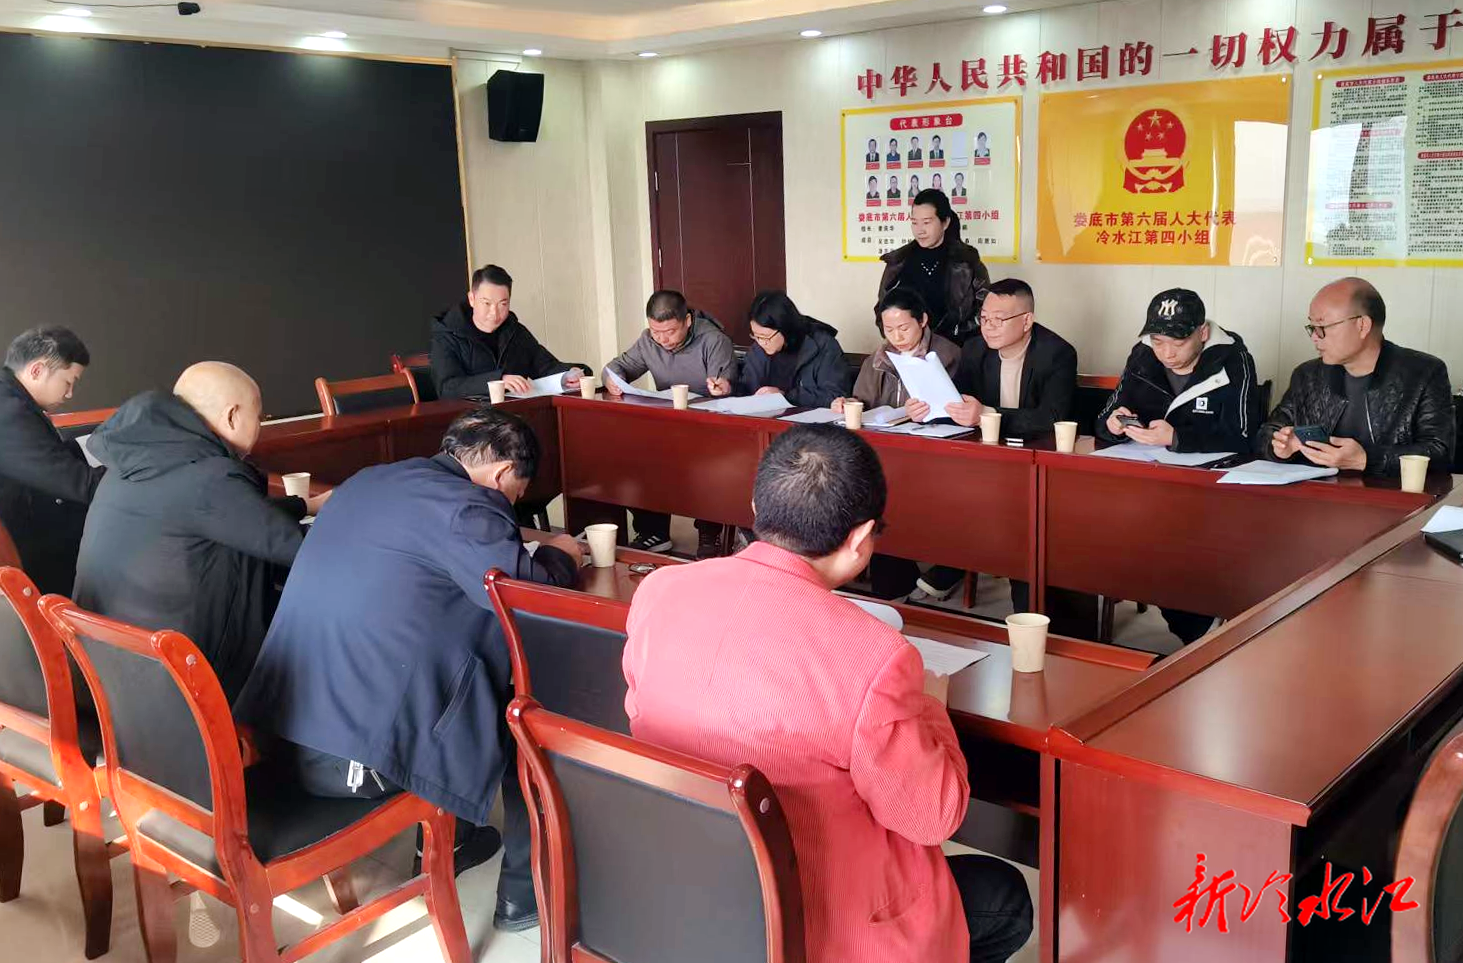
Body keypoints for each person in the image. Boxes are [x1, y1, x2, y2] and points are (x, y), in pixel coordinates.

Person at [623, 424, 1033, 963]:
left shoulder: (660, 590)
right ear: (861, 539)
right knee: (1005, 900)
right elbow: (932, 817)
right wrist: (931, 705)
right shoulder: (874, 654)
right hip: (822, 925)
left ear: (756, 506)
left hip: (692, 887)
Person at [235, 407, 580, 928]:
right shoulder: (466, 508)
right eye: (515, 495)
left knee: (448, 661)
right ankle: (526, 894)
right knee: (529, 718)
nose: (508, 507)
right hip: (348, 760)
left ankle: (455, 840)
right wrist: (563, 555)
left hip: (279, 730)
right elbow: (530, 597)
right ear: (504, 474)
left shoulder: (369, 481)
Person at [74, 362, 329, 700]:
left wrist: (303, 505)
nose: (260, 426)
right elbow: (304, 551)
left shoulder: (136, 461)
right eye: (259, 416)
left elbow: (219, 517)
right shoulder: (209, 477)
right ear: (232, 416)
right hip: (184, 686)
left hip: (111, 674)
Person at [1096, 289, 1260, 644]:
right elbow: (1106, 415)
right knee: (1104, 532)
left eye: (1178, 342)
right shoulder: (1143, 356)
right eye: (1158, 341)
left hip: (1207, 491)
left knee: (1157, 541)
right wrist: (1113, 424)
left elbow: (1246, 435)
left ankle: (1201, 631)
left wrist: (1177, 438)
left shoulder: (1233, 359)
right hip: (1146, 483)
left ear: (1203, 333)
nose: (1167, 353)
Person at [905, 278, 1077, 604]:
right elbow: (959, 403)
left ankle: (1018, 593)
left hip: (1036, 462)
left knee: (1015, 513)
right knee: (937, 488)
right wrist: (927, 409)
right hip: (986, 459)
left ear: (1026, 321)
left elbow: (1052, 418)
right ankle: (955, 560)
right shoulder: (974, 349)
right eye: (984, 318)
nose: (989, 327)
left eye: (999, 319)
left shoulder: (1057, 353)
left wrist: (987, 413)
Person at [833, 288, 962, 600]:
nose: (897, 337)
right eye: (889, 329)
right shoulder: (879, 358)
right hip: (884, 452)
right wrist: (847, 403)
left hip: (934, 456)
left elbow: (958, 409)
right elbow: (863, 401)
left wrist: (927, 412)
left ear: (923, 321)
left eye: (903, 327)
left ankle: (936, 570)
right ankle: (891, 584)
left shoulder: (948, 355)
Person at [1260, 277, 1454, 476]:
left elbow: (1440, 452)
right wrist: (1280, 448)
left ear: (1362, 325)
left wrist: (1366, 459)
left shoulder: (1423, 373)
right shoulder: (1307, 375)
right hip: (1318, 492)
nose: (1314, 337)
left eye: (1322, 327)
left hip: (1389, 494)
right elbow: (1268, 432)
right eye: (1312, 327)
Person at [604, 289, 736, 559]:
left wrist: (722, 387)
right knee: (627, 454)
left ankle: (709, 531)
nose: (662, 339)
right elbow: (616, 367)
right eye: (656, 331)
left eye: (670, 332)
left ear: (687, 321)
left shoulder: (714, 340)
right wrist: (612, 379)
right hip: (668, 425)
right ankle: (653, 531)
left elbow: (726, 385)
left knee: (709, 462)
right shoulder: (648, 341)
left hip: (711, 427)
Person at [0, 327, 105, 595]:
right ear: (37, 370)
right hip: (30, 554)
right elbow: (76, 483)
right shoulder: (9, 412)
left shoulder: (12, 400)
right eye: (68, 381)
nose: (69, 393)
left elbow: (46, 457)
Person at [431, 264, 587, 400]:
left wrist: (569, 373)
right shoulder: (447, 335)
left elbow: (545, 366)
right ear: (472, 299)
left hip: (512, 414)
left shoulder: (515, 332)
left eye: (503, 304)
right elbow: (447, 388)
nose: (494, 313)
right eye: (487, 303)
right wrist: (498, 381)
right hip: (468, 419)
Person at [876, 188, 989, 344]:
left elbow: (986, 309)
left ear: (945, 222)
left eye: (927, 222)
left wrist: (957, 334)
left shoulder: (966, 261)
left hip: (955, 347)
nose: (920, 230)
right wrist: (899, 338)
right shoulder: (898, 262)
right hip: (908, 349)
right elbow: (882, 307)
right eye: (914, 222)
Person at [707, 291, 851, 408]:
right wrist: (729, 388)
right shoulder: (759, 347)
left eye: (766, 337)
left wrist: (784, 396)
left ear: (785, 328)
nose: (761, 343)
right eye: (756, 336)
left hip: (810, 427)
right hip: (766, 421)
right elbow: (750, 389)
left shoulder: (823, 345)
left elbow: (835, 395)